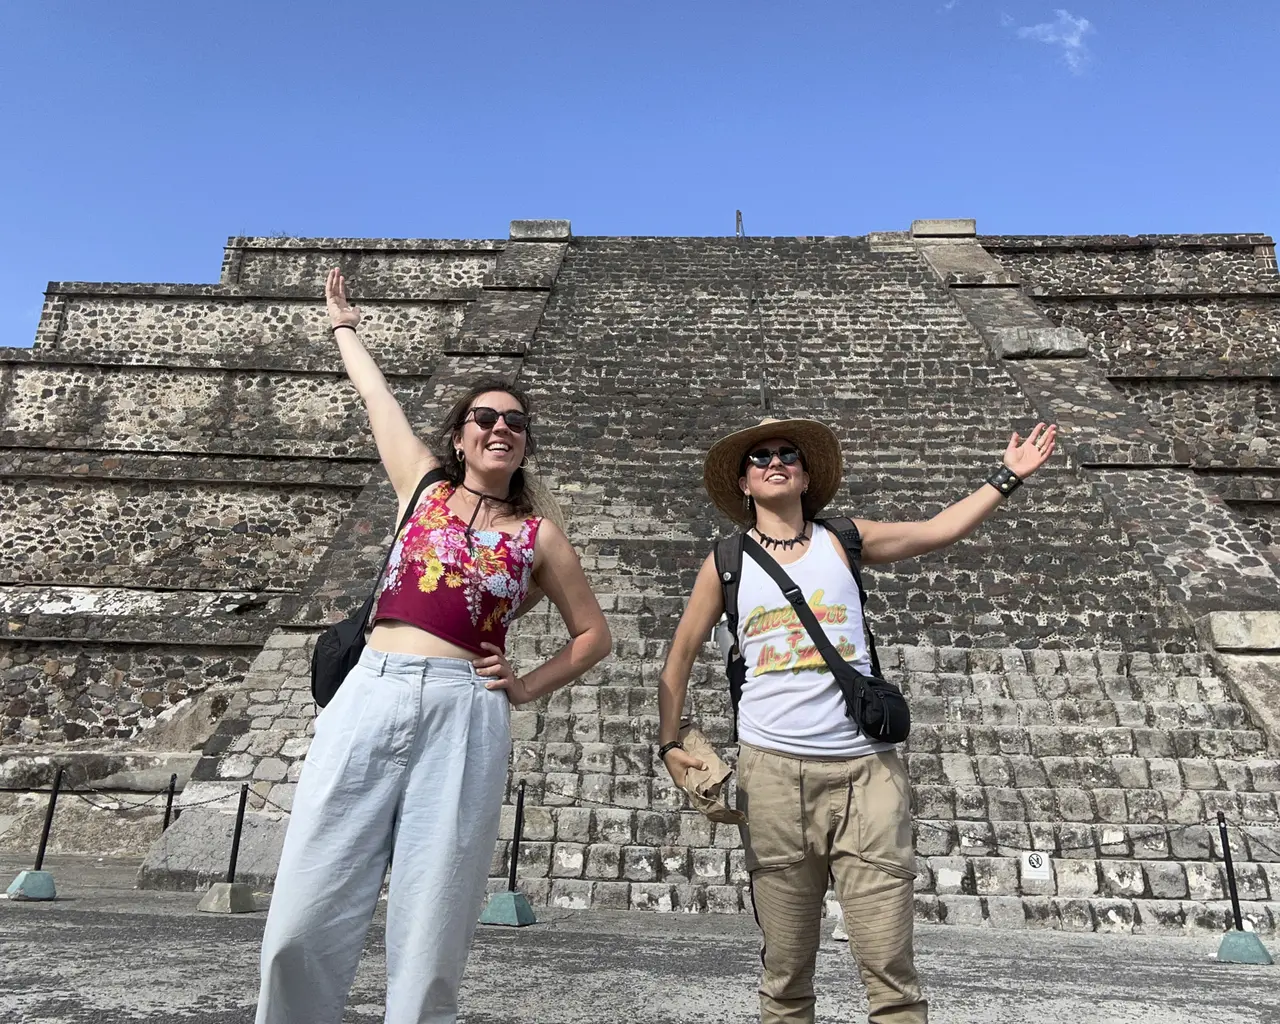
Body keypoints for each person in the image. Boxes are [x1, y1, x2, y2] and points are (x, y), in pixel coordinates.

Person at [256, 269, 612, 1024]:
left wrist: (525, 685)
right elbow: (378, 401)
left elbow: (594, 635)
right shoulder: (420, 487)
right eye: (485, 416)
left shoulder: (537, 535)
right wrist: (343, 327)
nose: (499, 427)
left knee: (433, 923)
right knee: (300, 919)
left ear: (524, 444)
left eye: (515, 421)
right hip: (374, 688)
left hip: (464, 708)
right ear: (460, 435)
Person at [657, 414, 1056, 1024]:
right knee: (786, 973)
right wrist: (668, 742)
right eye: (759, 457)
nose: (774, 461)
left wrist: (1007, 477)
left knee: (890, 968)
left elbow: (934, 532)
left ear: (806, 473)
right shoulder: (727, 560)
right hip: (771, 773)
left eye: (787, 453)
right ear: (743, 483)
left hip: (867, 771)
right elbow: (680, 655)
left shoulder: (844, 538)